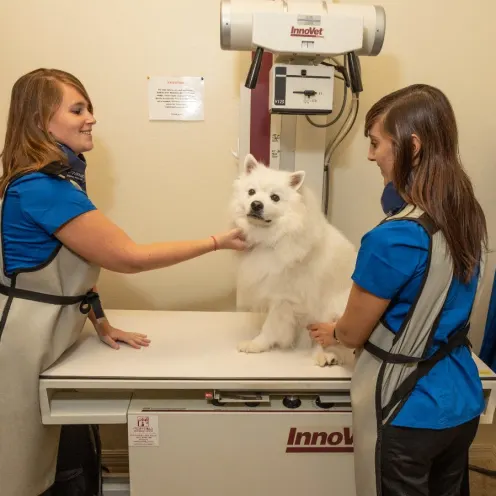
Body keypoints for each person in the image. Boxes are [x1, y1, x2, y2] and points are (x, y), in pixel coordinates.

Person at [0, 68, 246, 496]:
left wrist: (100, 321)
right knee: (20, 467)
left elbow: (73, 268)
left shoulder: (55, 181)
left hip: (49, 335)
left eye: (89, 107)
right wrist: (217, 241)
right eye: (77, 109)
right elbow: (127, 258)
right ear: (41, 121)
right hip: (21, 343)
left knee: (64, 453)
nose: (91, 117)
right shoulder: (43, 187)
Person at [307, 84, 487, 496]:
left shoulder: (392, 238)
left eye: (375, 144)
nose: (370, 155)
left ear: (413, 145)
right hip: (460, 398)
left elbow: (352, 333)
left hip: (405, 408)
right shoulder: (465, 214)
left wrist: (333, 331)